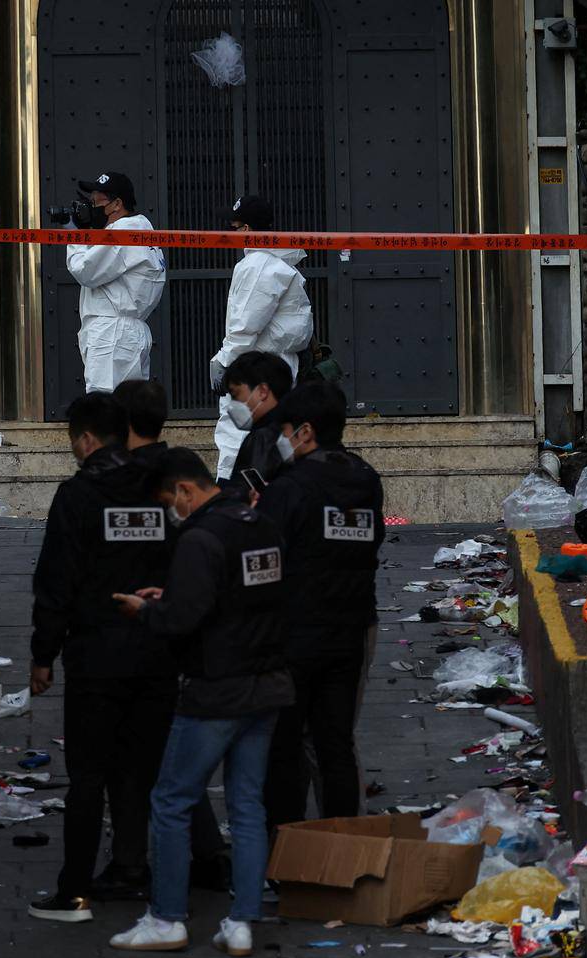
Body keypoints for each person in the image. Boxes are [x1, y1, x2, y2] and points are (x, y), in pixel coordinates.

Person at [109, 449, 293, 956]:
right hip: (269, 681)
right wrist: (172, 595)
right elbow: (237, 595)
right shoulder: (260, 524)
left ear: (185, 491)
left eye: (172, 501)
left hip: (217, 688)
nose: (173, 511)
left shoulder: (200, 537)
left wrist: (145, 610)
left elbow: (182, 620)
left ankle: (167, 916)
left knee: (171, 800)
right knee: (248, 805)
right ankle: (242, 921)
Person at [27, 393, 176, 921]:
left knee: (88, 775)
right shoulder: (161, 488)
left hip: (96, 656)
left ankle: (74, 888)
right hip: (157, 651)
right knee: (140, 770)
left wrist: (43, 654)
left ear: (86, 439)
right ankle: (134, 868)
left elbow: (56, 581)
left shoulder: (79, 495)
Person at [110, 378, 235, 889]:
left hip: (150, 634)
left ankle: (149, 882)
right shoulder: (210, 498)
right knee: (189, 769)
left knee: (150, 769)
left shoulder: (120, 483)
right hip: (202, 649)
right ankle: (215, 864)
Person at [254, 381, 384, 830]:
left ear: (305, 432)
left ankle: (286, 852)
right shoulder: (365, 479)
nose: (283, 440)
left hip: (294, 635)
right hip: (349, 631)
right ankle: (341, 846)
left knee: (284, 747)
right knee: (335, 744)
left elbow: (264, 558)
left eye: (287, 430)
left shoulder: (289, 488)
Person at [209, 195, 313, 480]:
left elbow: (245, 326)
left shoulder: (258, 265)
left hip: (255, 367)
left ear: (246, 230)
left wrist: (223, 360)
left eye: (234, 227)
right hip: (274, 364)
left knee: (236, 437)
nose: (231, 234)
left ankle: (232, 499)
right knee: (273, 440)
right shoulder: (275, 262)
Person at [65, 172, 167, 393]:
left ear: (117, 204)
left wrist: (75, 236)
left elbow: (84, 270)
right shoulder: (141, 229)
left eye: (95, 202)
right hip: (127, 331)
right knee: (127, 411)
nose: (91, 208)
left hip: (111, 333)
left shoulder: (122, 231)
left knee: (104, 409)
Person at [224, 351, 295, 492]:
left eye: (235, 394)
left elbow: (246, 490)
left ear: (262, 391)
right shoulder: (296, 430)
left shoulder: (262, 437)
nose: (233, 404)